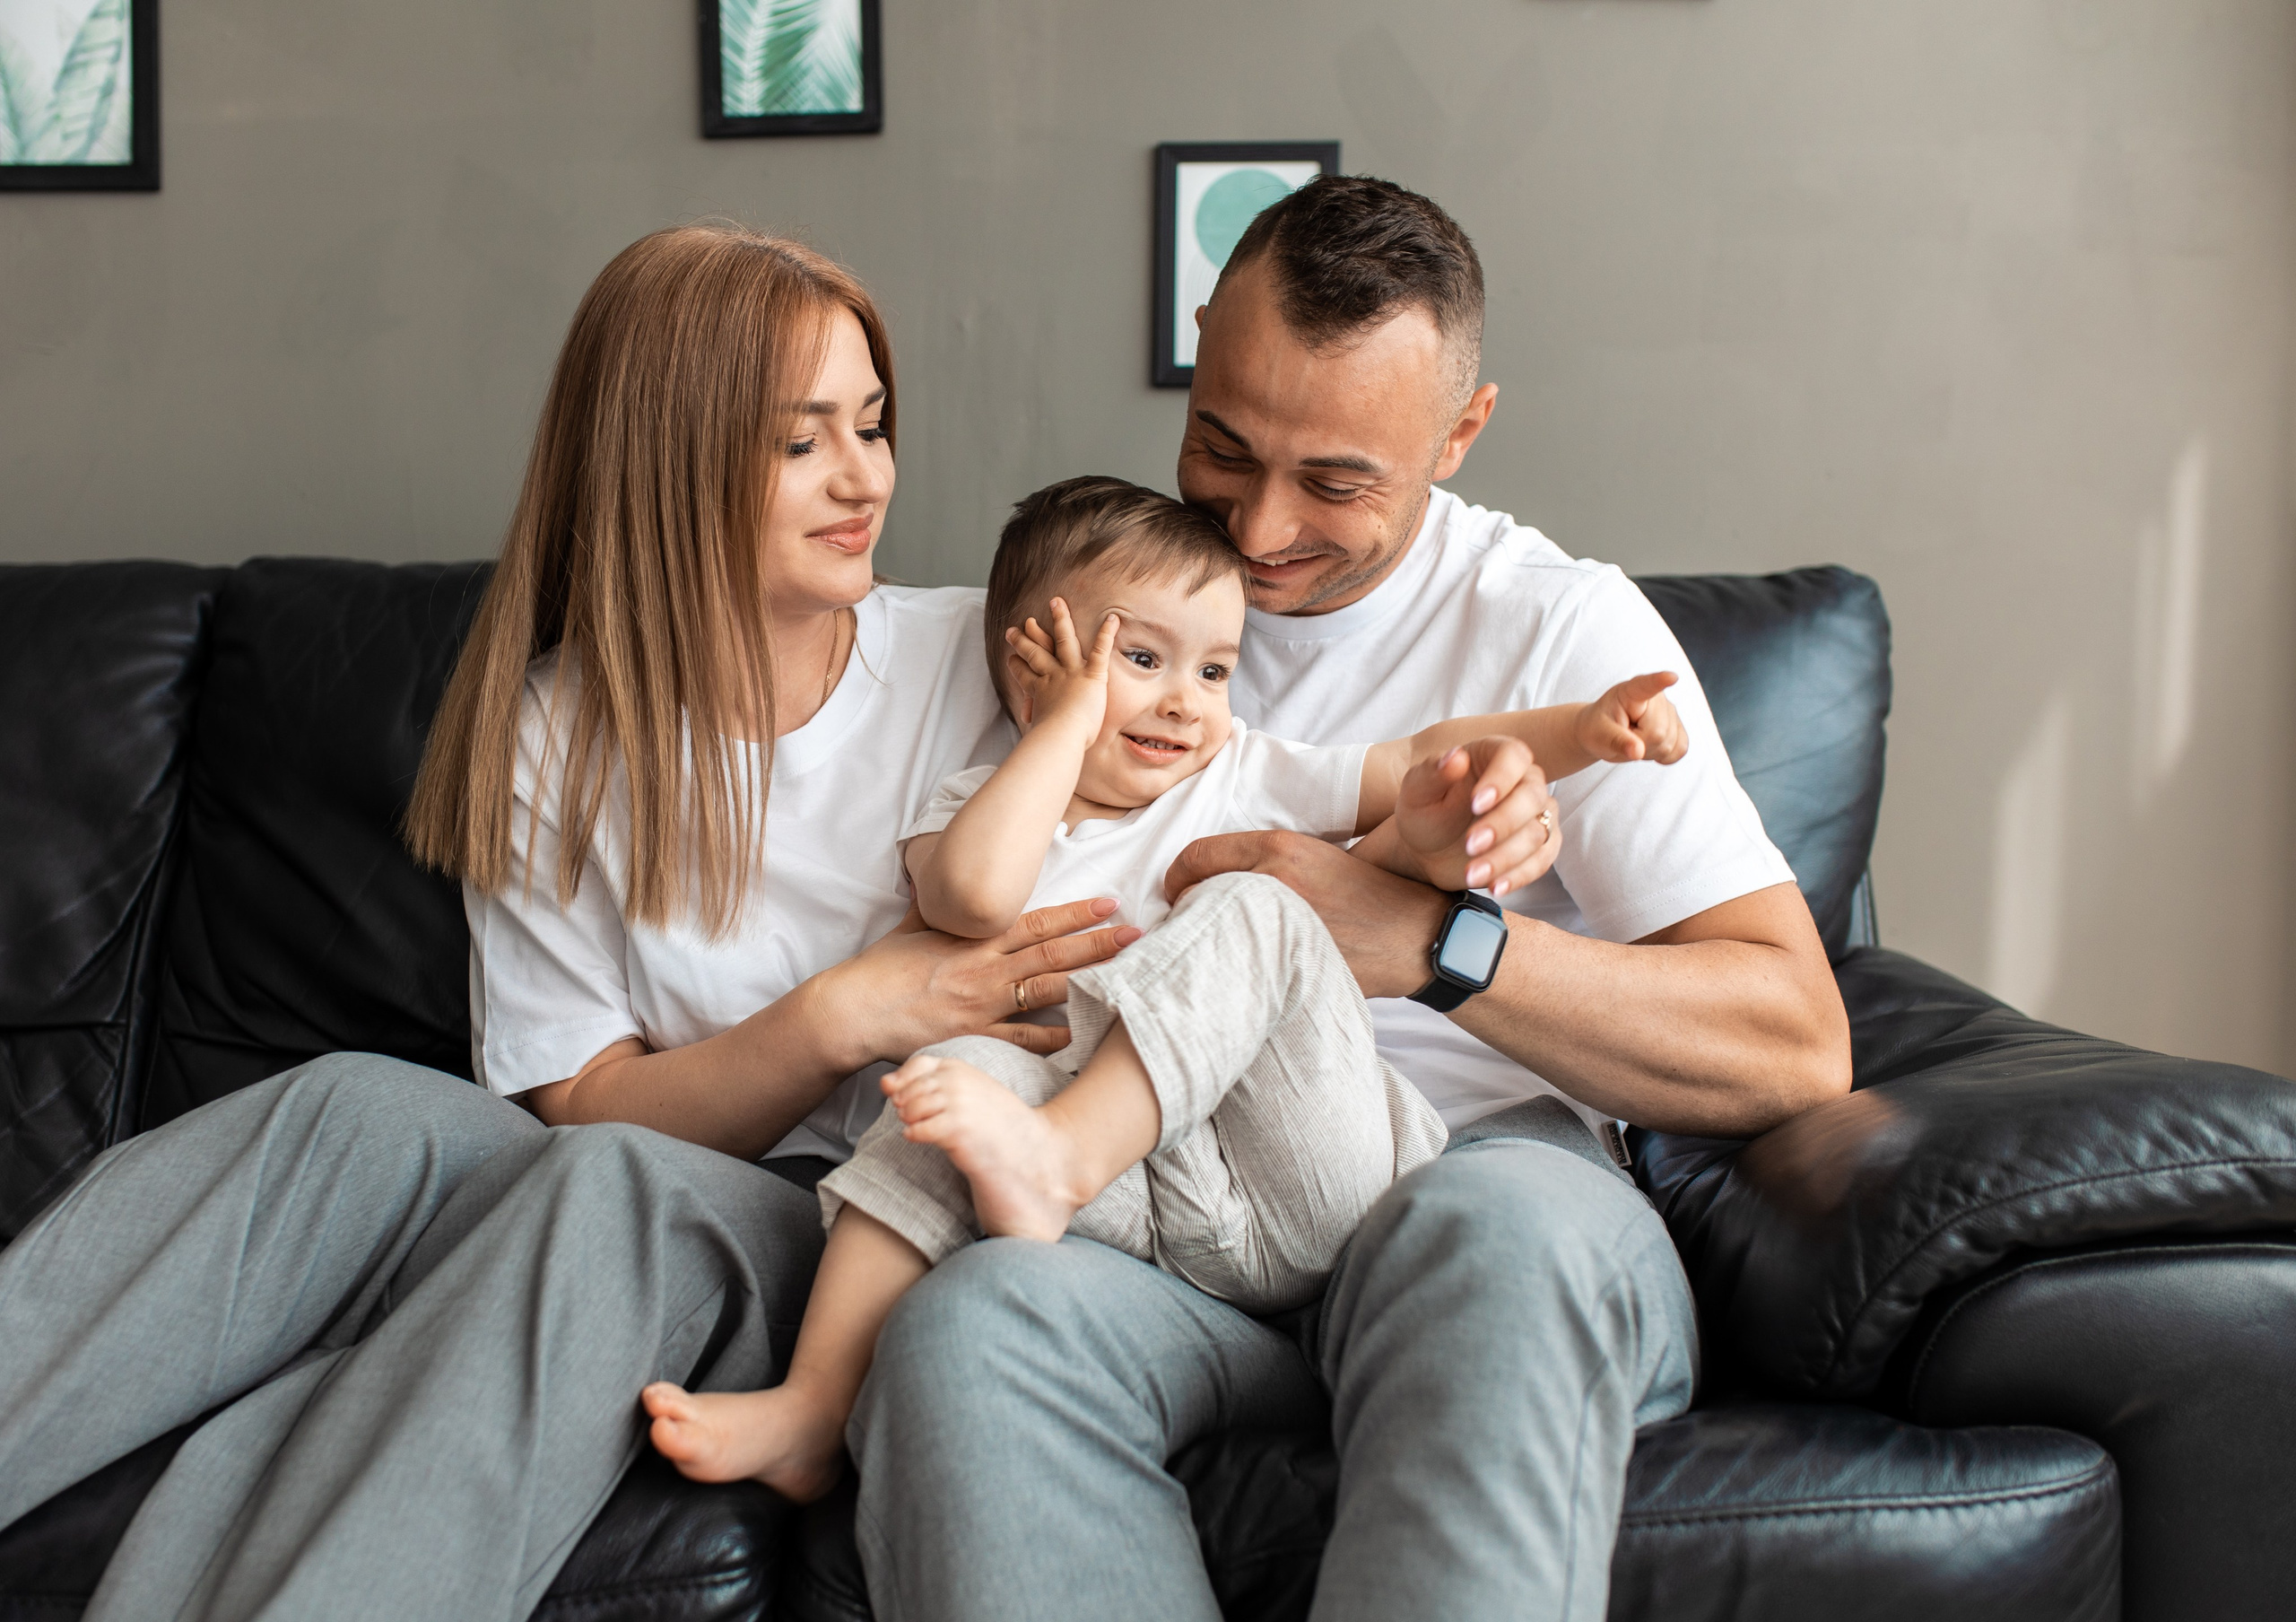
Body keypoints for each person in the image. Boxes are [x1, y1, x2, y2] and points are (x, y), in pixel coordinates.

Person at [0, 222, 1131, 1621]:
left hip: (856, 1222)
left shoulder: (998, 662)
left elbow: (1236, 761)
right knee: (348, 1108)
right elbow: (579, 1099)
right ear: (665, 461)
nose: (866, 478)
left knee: (611, 1192)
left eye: (873, 423)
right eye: (802, 443)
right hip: (603, 1171)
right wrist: (841, 1014)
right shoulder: (554, 728)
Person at [841, 179, 1854, 1621]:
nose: (1259, 528)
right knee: (971, 1325)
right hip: (1172, 1206)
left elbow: (1794, 1041)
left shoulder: (1557, 628)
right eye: (1223, 446)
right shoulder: (1089, 609)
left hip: (1467, 1179)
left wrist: (1434, 945)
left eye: (1334, 483)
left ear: (1459, 433)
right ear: (1202, 343)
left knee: (1493, 1247)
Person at [638, 476, 1688, 1495]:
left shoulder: (1239, 774)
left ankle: (1058, 1152)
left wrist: (1579, 732)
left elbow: (1418, 753)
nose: (1187, 701)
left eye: (1216, 670)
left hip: (1309, 1171)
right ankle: (813, 1406)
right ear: (1032, 665)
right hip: (1154, 1219)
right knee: (946, 1081)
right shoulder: (976, 806)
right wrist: (1063, 727)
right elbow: (971, 897)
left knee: (1255, 901)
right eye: (1142, 658)